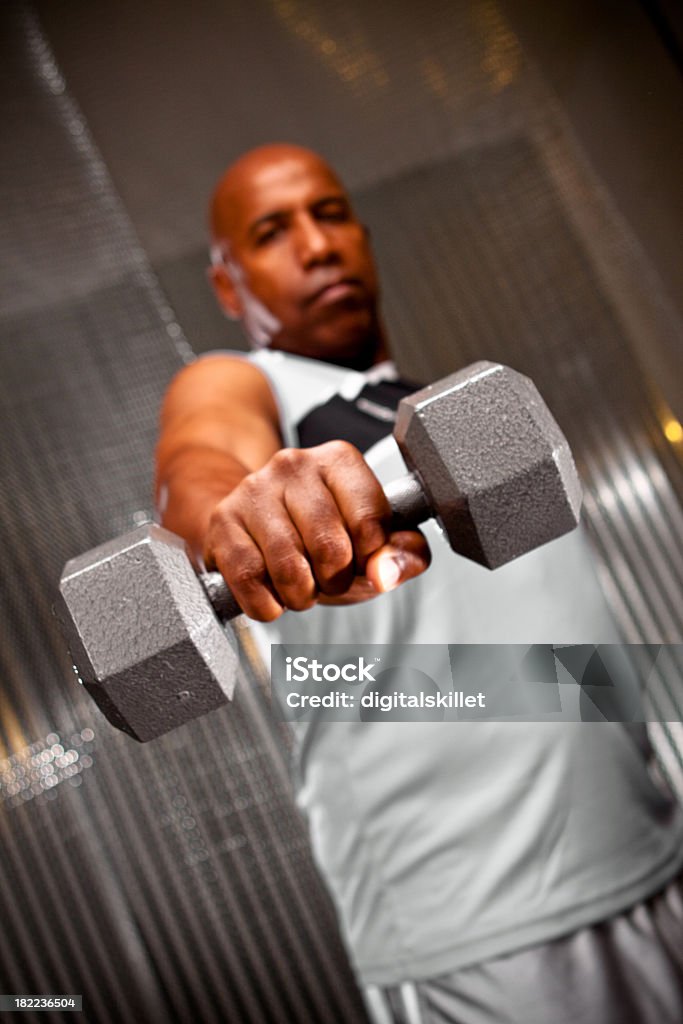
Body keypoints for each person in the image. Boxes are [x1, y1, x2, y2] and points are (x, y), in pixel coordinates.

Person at [155, 143, 683, 1023]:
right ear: (226, 285)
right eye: (271, 231)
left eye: (330, 214)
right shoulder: (248, 385)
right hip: (480, 935)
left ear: (361, 235)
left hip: (652, 860)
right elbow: (198, 465)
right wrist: (235, 517)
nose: (316, 246)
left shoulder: (452, 411)